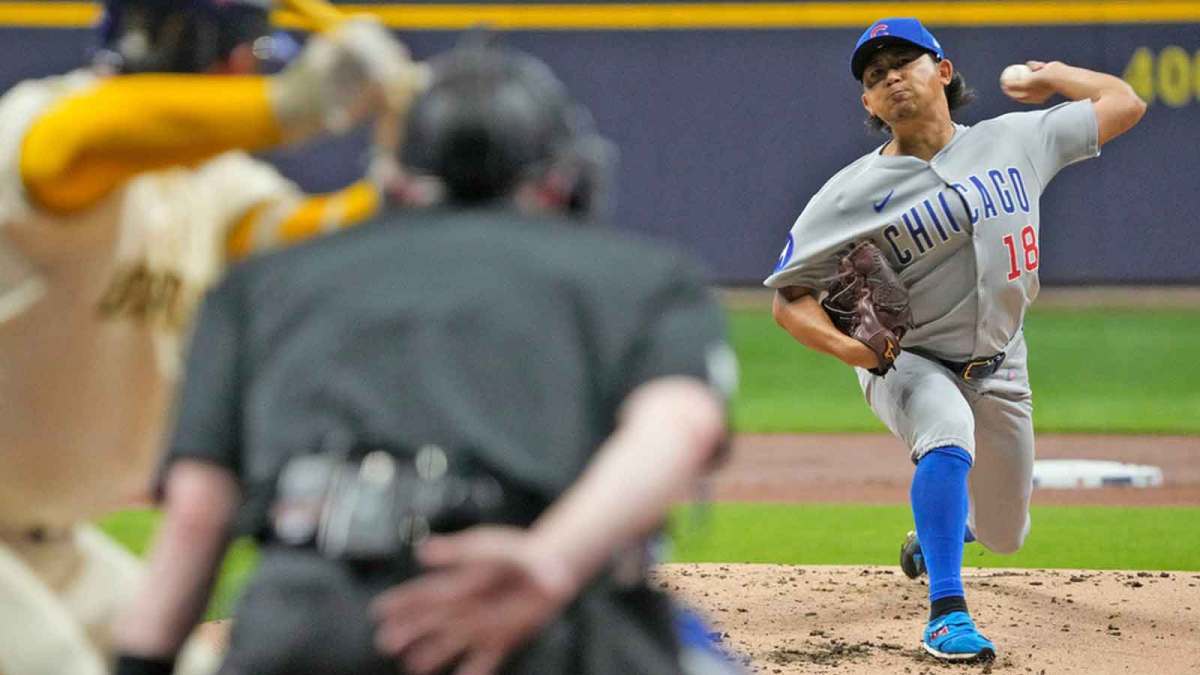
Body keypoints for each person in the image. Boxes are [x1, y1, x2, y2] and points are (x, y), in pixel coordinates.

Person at [112, 43, 739, 675]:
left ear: (395, 179)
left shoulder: (262, 284)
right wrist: (551, 562)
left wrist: (142, 662)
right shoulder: (642, 276)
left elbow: (197, 514)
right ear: (558, 180)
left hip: (309, 627)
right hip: (537, 623)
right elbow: (678, 424)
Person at [0, 2, 417, 673]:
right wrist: (295, 103)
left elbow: (310, 236)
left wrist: (405, 174)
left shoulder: (209, 183)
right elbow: (76, 140)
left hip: (52, 546)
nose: (251, 81)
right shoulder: (43, 125)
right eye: (246, 60)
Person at [765, 17, 1145, 663]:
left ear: (942, 71)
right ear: (869, 103)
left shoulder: (1017, 139)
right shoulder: (847, 194)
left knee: (1006, 534)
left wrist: (1052, 75)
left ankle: (941, 534)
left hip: (1002, 361)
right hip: (912, 359)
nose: (891, 79)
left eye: (904, 63)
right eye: (875, 76)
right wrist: (851, 350)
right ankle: (946, 611)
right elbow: (788, 299)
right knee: (944, 433)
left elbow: (1124, 102)